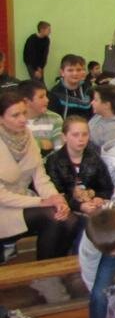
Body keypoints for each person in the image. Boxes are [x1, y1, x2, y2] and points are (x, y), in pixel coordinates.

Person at [0, 91, 79, 286]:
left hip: (23, 201)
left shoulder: (27, 136)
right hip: (4, 207)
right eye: (15, 115)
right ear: (1, 119)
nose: (22, 119)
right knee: (50, 217)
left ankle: (52, 274)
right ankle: (45, 280)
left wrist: (57, 199)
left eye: (23, 113)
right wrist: (42, 201)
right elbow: (2, 196)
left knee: (69, 219)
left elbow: (40, 177)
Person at [44, 115, 114, 216]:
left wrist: (99, 198)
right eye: (75, 135)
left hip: (93, 206)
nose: (81, 139)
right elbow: (57, 193)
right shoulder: (53, 161)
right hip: (66, 208)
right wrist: (79, 206)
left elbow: (107, 188)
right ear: (64, 137)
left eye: (85, 134)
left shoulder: (95, 158)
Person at [48, 53, 93, 120]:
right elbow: (54, 119)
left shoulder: (88, 89)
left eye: (79, 70)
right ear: (62, 72)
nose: (75, 73)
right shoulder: (55, 93)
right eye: (70, 70)